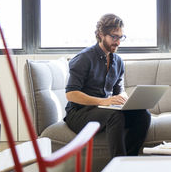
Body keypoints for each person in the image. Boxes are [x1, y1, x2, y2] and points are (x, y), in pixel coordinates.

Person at [64, 14, 151, 158]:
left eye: (120, 37)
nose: (118, 42)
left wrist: (125, 100)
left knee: (143, 114)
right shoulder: (84, 58)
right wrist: (103, 101)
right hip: (79, 113)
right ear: (101, 34)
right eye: (114, 37)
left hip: (103, 110)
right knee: (114, 116)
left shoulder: (118, 61)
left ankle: (128, 160)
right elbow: (71, 93)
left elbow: (119, 91)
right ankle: (117, 166)